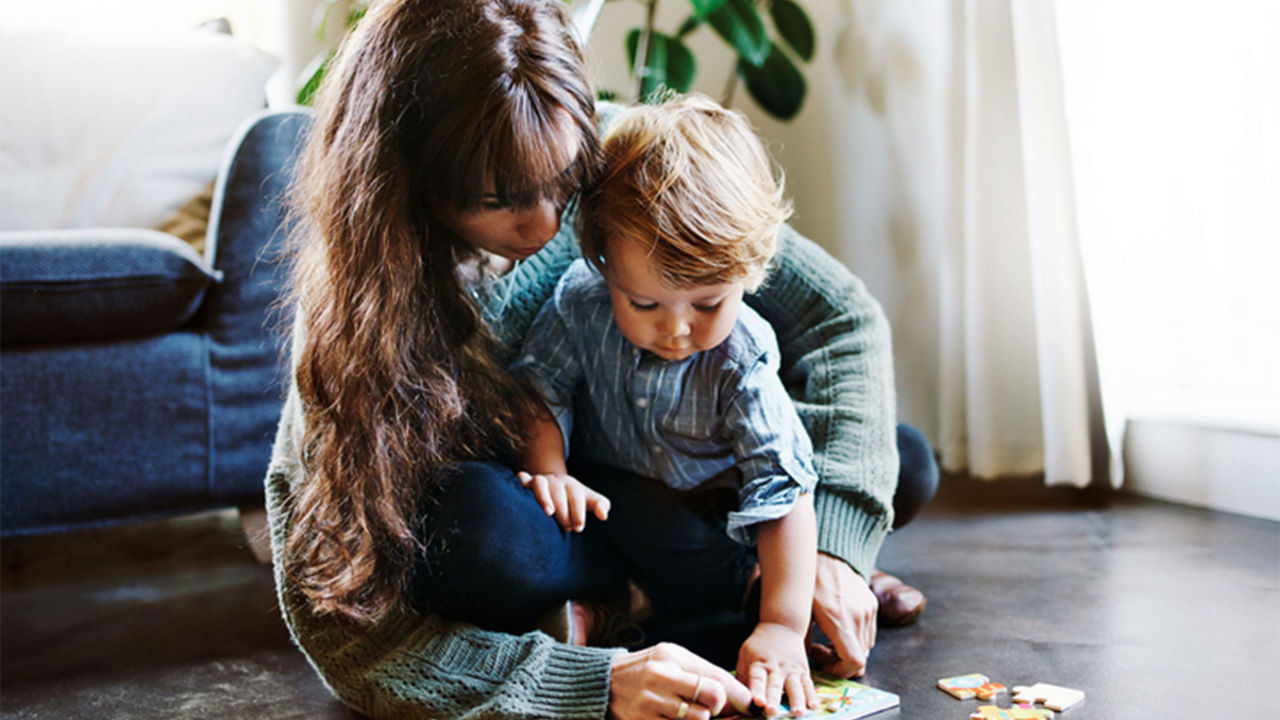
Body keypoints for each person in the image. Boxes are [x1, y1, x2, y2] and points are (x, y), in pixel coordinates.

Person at [265, 0, 936, 717]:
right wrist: (594, 684)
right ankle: (655, 595)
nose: (550, 223)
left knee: (899, 457)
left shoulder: (621, 157)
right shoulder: (358, 306)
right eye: (503, 199)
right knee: (474, 530)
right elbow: (342, 632)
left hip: (688, 462)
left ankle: (732, 583)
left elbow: (842, 319)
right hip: (563, 508)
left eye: (564, 181)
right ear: (412, 180)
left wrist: (832, 553)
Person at [510, 94, 821, 716]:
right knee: (553, 519)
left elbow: (782, 494)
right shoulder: (580, 301)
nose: (676, 330)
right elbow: (536, 389)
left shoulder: (743, 354)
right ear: (602, 262)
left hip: (711, 518)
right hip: (614, 503)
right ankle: (633, 605)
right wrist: (551, 471)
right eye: (644, 305)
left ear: (749, 271)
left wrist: (783, 627)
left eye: (707, 305)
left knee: (894, 470)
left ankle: (793, 594)